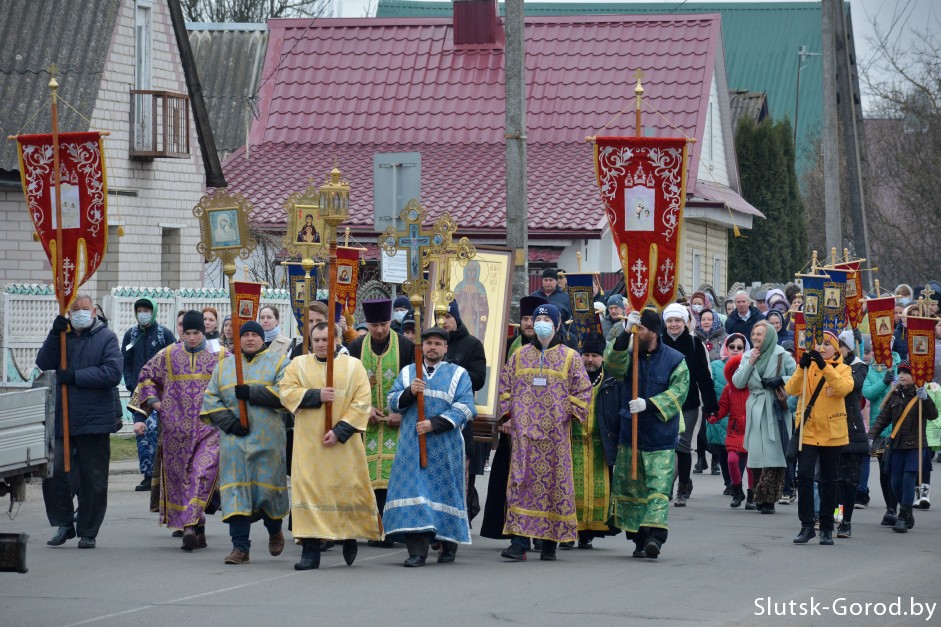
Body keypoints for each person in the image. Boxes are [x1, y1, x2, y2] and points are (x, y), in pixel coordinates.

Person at [279, 322, 381, 570]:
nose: (321, 344)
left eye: (326, 339)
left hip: (343, 445)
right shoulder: (298, 365)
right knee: (308, 492)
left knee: (345, 490)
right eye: (317, 340)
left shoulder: (353, 366)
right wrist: (316, 395)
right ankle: (310, 552)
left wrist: (339, 431)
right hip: (309, 445)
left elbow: (362, 402)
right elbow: (286, 392)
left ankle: (348, 536)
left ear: (337, 340)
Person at [497, 303, 591, 562]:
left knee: (553, 487)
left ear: (557, 324)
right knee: (521, 483)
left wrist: (565, 413)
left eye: (547, 320)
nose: (540, 324)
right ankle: (518, 543)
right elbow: (504, 386)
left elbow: (583, 391)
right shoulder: (519, 355)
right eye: (538, 319)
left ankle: (549, 543)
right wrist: (508, 416)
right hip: (524, 435)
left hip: (555, 437)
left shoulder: (570, 357)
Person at [384, 326, 477, 566]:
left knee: (444, 493)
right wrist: (409, 392)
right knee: (416, 494)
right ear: (422, 347)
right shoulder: (408, 373)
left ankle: (448, 545)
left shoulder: (458, 374)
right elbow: (391, 401)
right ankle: (417, 552)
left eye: (437, 344)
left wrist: (434, 424)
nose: (432, 348)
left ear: (445, 348)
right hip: (412, 446)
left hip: (445, 446)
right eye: (428, 343)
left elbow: (467, 407)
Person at [200, 321, 290, 564]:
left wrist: (252, 392)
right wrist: (229, 423)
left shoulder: (279, 363)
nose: (250, 339)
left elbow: (287, 393)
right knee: (236, 492)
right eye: (245, 335)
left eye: (254, 335)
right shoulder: (224, 367)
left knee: (268, 492)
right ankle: (240, 547)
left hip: (268, 441)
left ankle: (274, 530)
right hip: (234, 442)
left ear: (262, 339)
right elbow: (211, 398)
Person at [38, 294, 123, 549]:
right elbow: (43, 362)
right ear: (69, 313)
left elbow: (112, 373)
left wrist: (75, 376)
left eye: (85, 309)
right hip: (62, 417)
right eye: (75, 309)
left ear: (94, 312)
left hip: (94, 419)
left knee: (92, 478)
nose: (81, 313)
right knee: (54, 472)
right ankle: (64, 523)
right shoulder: (63, 336)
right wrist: (54, 335)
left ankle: (88, 530)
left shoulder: (107, 338)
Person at [135, 311, 223, 550]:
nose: (192, 338)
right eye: (187, 333)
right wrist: (154, 403)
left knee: (200, 474)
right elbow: (146, 377)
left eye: (196, 333)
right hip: (175, 431)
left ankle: (190, 526)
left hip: (209, 429)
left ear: (203, 332)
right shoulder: (168, 354)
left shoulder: (220, 355)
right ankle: (198, 526)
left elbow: (235, 382)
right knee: (182, 479)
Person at [605, 308, 689, 559]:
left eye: (639, 328)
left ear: (652, 332)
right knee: (633, 489)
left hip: (660, 436)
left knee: (658, 489)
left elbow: (679, 392)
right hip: (630, 434)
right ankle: (640, 539)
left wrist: (649, 404)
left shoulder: (675, 359)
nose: (635, 332)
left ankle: (656, 537)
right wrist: (623, 335)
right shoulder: (630, 353)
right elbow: (612, 366)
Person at [481, 295, 546, 541]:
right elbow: (500, 384)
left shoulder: (557, 349)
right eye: (526, 318)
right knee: (508, 476)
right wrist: (505, 416)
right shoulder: (507, 345)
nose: (529, 323)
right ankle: (512, 530)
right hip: (514, 425)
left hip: (543, 426)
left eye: (534, 319)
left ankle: (541, 533)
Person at [347, 298, 415, 533]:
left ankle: (392, 528)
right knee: (364, 478)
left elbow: (414, 384)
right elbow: (348, 386)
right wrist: (363, 408)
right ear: (367, 323)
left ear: (389, 322)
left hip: (398, 426)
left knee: (395, 477)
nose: (378, 330)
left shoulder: (405, 346)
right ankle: (370, 527)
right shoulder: (356, 348)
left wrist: (401, 411)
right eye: (374, 325)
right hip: (366, 427)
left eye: (383, 324)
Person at [786, 331, 854, 545]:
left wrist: (824, 367)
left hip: (832, 432)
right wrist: (801, 367)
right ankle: (806, 526)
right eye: (818, 343)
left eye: (827, 344)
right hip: (807, 431)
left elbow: (843, 388)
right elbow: (791, 389)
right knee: (804, 477)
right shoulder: (808, 367)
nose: (822, 347)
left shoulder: (843, 368)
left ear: (836, 348)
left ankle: (826, 527)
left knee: (829, 480)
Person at [733, 320, 796, 514]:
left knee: (774, 455)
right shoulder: (747, 356)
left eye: (759, 334)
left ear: (768, 336)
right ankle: (760, 496)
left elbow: (799, 378)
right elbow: (738, 382)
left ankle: (769, 498)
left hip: (775, 408)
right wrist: (750, 362)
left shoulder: (782, 355)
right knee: (757, 455)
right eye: (754, 334)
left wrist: (780, 380)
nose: (755, 337)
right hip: (755, 408)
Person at [868, 362, 938, 533]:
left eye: (906, 373)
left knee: (908, 480)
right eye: (900, 372)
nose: (901, 376)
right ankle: (908, 513)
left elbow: (933, 415)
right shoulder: (895, 395)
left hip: (915, 445)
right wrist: (871, 436)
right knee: (895, 482)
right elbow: (883, 418)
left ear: (915, 376)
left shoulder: (921, 394)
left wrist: (926, 399)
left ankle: (902, 516)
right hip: (897, 444)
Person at [661, 303, 719, 498]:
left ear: (685, 322)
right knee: (667, 446)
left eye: (678, 320)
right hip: (663, 403)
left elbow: (704, 376)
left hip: (689, 402)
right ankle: (666, 484)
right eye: (670, 320)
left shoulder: (695, 343)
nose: (674, 324)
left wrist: (710, 405)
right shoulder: (658, 342)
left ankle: (682, 487)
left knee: (683, 446)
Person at [121, 297, 176, 491]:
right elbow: (126, 362)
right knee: (142, 432)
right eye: (140, 310)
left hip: (160, 393)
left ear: (153, 312)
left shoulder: (164, 334)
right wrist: (131, 383)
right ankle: (148, 475)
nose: (143, 314)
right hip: (138, 393)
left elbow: (173, 362)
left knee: (157, 431)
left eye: (146, 310)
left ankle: (163, 475)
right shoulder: (131, 335)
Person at [440, 301, 487, 526]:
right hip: (431, 420)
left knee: (461, 478)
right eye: (440, 316)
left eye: (448, 316)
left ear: (457, 318)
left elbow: (479, 378)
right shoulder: (429, 343)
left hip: (460, 423)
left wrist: (454, 372)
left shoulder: (472, 344)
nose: (444, 321)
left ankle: (458, 525)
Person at [571, 332, 619, 548]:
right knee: (573, 489)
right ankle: (570, 530)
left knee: (599, 490)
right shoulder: (572, 377)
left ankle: (588, 533)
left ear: (603, 357)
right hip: (574, 443)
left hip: (600, 443)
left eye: (595, 356)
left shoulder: (610, 379)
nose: (590, 360)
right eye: (586, 355)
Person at [709, 337, 751, 507]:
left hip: (752, 430)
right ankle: (737, 489)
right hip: (734, 430)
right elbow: (723, 408)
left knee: (751, 465)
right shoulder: (729, 389)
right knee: (732, 460)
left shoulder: (754, 387)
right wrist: (713, 416)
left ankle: (752, 493)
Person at [453, 259, 490, 339]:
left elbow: (485, 307)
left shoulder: (480, 287)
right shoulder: (459, 286)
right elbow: (453, 305)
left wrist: (477, 307)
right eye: (469, 270)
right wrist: (460, 305)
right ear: (465, 271)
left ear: (477, 272)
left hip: (474, 318)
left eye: (473, 270)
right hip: (462, 316)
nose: (471, 273)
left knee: (472, 335)